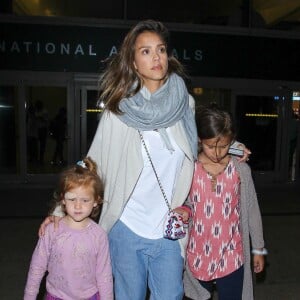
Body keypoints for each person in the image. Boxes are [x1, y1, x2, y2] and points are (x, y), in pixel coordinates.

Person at [39, 20, 250, 300]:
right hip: (127, 226)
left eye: (161, 50)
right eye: (146, 51)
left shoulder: (183, 103)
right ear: (134, 62)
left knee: (171, 294)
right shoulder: (119, 111)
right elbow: (92, 163)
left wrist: (233, 147)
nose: (156, 57)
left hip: (168, 228)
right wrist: (58, 212)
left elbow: (202, 135)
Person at [182, 105, 267, 300]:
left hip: (232, 255)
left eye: (225, 145)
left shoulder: (240, 171)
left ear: (232, 141)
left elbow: (252, 211)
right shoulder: (188, 168)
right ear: (199, 139)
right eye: (211, 146)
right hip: (196, 255)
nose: (218, 152)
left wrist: (259, 249)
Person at [24, 157, 113, 300]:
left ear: (96, 201)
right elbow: (37, 267)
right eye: (72, 199)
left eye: (85, 200)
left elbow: (104, 275)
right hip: (56, 296)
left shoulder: (99, 235)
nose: (78, 206)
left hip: (89, 297)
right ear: (63, 199)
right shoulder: (51, 230)